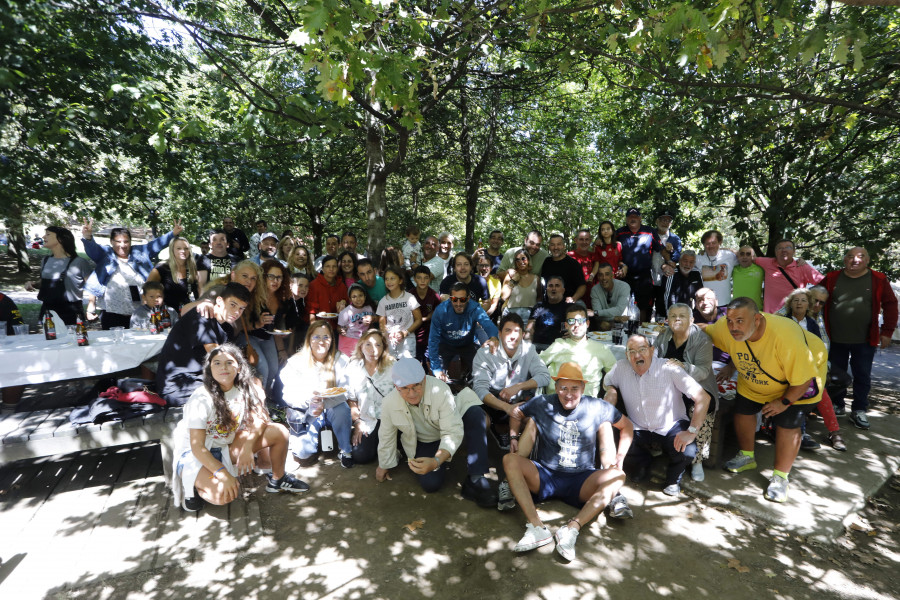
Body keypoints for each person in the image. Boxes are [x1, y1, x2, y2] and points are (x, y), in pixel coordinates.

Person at [504, 362, 633, 561]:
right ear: (556, 388)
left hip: (581, 479)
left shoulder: (597, 406)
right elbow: (517, 412)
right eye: (563, 388)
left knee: (618, 475)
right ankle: (537, 528)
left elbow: (627, 426)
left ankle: (572, 529)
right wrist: (513, 436)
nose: (569, 394)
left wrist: (621, 456)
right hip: (545, 475)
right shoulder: (543, 402)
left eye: (574, 388)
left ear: (583, 388)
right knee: (509, 460)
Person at [706, 297, 825, 503]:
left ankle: (780, 477)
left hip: (797, 380)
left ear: (758, 319)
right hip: (755, 378)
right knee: (743, 410)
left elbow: (803, 381)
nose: (733, 327)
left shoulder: (785, 336)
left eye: (740, 321)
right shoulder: (726, 328)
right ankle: (746, 456)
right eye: (730, 321)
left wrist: (783, 402)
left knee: (787, 423)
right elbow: (702, 329)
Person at [171, 344, 308, 511]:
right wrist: (222, 474)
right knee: (224, 495)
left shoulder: (245, 388)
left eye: (229, 362)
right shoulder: (201, 398)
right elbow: (197, 447)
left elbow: (261, 418)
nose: (224, 367)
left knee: (278, 432)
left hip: (225, 446)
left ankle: (278, 480)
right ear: (209, 368)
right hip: (195, 455)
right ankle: (193, 487)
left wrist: (248, 447)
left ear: (239, 366)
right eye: (217, 363)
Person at [375, 358, 497, 506]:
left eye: (416, 386)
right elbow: (386, 435)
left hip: (452, 420)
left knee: (476, 414)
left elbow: (452, 431)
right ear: (396, 386)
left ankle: (476, 478)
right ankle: (448, 454)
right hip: (427, 439)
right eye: (405, 388)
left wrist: (437, 461)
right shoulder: (389, 402)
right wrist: (384, 464)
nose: (412, 393)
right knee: (430, 484)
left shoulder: (440, 390)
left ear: (424, 380)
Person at [604, 334, 710, 495]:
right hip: (637, 425)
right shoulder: (620, 367)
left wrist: (691, 432)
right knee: (613, 436)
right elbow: (607, 382)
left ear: (652, 351)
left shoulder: (669, 368)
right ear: (626, 355)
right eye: (631, 351)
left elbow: (703, 397)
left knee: (687, 450)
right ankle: (643, 462)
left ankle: (673, 478)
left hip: (670, 424)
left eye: (642, 349)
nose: (637, 355)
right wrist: (611, 390)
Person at [822, 247, 898, 429]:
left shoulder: (878, 279)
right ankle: (837, 405)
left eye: (860, 256)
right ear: (844, 260)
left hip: (865, 339)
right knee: (834, 375)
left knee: (862, 375)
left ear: (867, 260)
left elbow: (890, 304)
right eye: (850, 256)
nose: (855, 260)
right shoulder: (832, 278)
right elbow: (816, 298)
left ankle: (859, 409)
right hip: (835, 338)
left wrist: (887, 332)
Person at [651, 304, 719, 482]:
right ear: (668, 320)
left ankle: (697, 461)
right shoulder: (663, 335)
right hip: (671, 386)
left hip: (698, 385)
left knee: (700, 406)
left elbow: (704, 371)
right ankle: (660, 443)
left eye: (682, 316)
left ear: (692, 320)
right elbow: (655, 359)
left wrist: (684, 366)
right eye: (673, 316)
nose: (677, 319)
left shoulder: (702, 339)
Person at [156, 282, 250, 406]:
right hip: (177, 386)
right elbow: (219, 357)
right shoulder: (202, 317)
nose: (237, 312)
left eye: (241, 308)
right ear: (220, 301)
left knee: (244, 387)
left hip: (199, 379)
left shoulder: (227, 328)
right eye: (233, 305)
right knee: (234, 390)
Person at [472, 313, 552, 454]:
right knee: (480, 420)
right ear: (499, 333)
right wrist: (506, 408)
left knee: (537, 419)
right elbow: (480, 389)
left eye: (517, 331)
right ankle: (498, 431)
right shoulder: (485, 353)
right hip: (492, 401)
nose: (512, 336)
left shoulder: (529, 350)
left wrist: (518, 386)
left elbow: (544, 376)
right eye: (508, 330)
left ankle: (526, 452)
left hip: (519, 400)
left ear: (522, 334)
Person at [81, 218, 181, 329]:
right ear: (111, 242)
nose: (122, 245)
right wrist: (88, 237)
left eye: (126, 241)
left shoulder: (140, 252)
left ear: (130, 241)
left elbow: (156, 244)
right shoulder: (105, 254)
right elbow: (93, 250)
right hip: (112, 311)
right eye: (118, 242)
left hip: (140, 312)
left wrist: (173, 233)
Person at [279, 320, 354, 467]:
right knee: (303, 453)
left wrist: (325, 403)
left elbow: (347, 390)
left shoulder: (341, 359)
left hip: (333, 408)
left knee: (343, 408)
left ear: (332, 340)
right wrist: (310, 402)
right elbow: (287, 394)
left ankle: (345, 449)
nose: (321, 341)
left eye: (326, 337)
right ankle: (310, 438)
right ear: (308, 339)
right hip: (309, 411)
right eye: (316, 337)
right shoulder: (295, 362)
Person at [428, 282, 500, 389]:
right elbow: (433, 340)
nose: (458, 303)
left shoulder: (474, 307)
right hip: (446, 345)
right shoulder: (441, 311)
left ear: (468, 298)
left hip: (468, 344)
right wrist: (437, 369)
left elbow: (487, 323)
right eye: (454, 299)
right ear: (450, 298)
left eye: (462, 299)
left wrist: (493, 337)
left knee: (482, 371)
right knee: (437, 380)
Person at [540, 303, 616, 398]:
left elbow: (616, 375)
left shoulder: (601, 349)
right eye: (571, 321)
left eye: (580, 321)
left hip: (587, 403)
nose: (576, 325)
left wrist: (611, 390)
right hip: (557, 401)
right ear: (566, 325)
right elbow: (536, 364)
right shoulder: (558, 345)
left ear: (587, 324)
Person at [24, 225, 91, 325]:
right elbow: (44, 282)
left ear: (60, 239)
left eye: (48, 234)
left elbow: (92, 287)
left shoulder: (79, 262)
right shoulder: (45, 260)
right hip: (47, 310)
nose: (43, 237)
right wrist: (33, 284)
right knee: (49, 339)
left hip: (71, 311)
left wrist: (91, 307)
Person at [347, 330, 396, 464]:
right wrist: (357, 422)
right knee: (361, 457)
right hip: (367, 420)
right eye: (368, 344)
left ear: (384, 348)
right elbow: (351, 400)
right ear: (361, 346)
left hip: (390, 420)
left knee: (388, 454)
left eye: (378, 345)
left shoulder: (393, 366)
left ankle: (390, 445)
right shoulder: (353, 368)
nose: (373, 350)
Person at [616, 208, 671, 322]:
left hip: (644, 275)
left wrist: (670, 262)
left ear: (640, 219)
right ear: (626, 219)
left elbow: (661, 249)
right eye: (630, 217)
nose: (633, 219)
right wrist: (598, 241)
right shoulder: (620, 232)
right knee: (621, 304)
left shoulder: (649, 231)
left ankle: (642, 331)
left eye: (635, 216)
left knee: (645, 305)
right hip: (624, 275)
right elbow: (608, 244)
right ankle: (622, 330)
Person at [755, 239, 824, 314]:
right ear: (775, 252)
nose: (784, 250)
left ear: (794, 252)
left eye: (788, 247)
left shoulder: (802, 266)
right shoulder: (767, 263)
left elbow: (824, 282)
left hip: (794, 316)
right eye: (780, 248)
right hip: (771, 317)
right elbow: (747, 258)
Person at [376, 265, 422, 359]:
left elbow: (418, 319)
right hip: (391, 343)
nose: (389, 282)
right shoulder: (383, 302)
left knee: (408, 370)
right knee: (393, 371)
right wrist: (388, 335)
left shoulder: (409, 298)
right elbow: (382, 325)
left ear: (400, 280)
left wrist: (405, 333)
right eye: (387, 279)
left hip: (407, 342)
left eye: (392, 278)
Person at [147, 237, 201, 313]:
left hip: (184, 313)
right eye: (179, 248)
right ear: (172, 250)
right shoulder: (161, 269)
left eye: (186, 248)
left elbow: (198, 294)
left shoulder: (192, 269)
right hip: (165, 314)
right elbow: (147, 293)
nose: (183, 251)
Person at [651, 210, 682, 319]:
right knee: (646, 307)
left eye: (668, 220)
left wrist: (672, 251)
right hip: (649, 277)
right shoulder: (651, 235)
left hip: (666, 278)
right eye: (663, 219)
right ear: (657, 221)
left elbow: (678, 257)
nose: (665, 222)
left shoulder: (675, 238)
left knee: (662, 308)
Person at [526, 275, 569, 352]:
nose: (553, 289)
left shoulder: (569, 308)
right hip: (537, 347)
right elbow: (530, 327)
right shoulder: (538, 306)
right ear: (546, 289)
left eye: (557, 286)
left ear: (563, 290)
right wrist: (528, 344)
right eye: (550, 286)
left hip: (558, 349)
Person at [540, 234, 586, 303]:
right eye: (552, 245)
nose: (555, 247)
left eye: (559, 244)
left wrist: (573, 299)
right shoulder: (547, 262)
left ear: (564, 246)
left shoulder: (573, 263)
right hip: (550, 302)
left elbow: (582, 286)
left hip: (568, 302)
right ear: (549, 247)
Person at [695, 230, 737, 306]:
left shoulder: (730, 256)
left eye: (714, 243)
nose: (711, 246)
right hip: (706, 305)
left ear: (720, 243)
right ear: (704, 245)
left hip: (725, 304)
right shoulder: (698, 259)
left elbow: (745, 259)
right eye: (707, 243)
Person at [409, 265, 441, 366]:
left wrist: (426, 318)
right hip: (413, 334)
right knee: (416, 364)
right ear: (414, 279)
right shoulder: (409, 295)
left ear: (429, 279)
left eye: (425, 278)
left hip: (429, 334)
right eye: (419, 278)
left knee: (428, 363)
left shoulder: (434, 296)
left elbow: (437, 312)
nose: (422, 281)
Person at [0, 292, 26, 412]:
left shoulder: (4, 302)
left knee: (17, 361)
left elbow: (18, 329)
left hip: (5, 350)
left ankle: (9, 408)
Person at [659, 250, 703, 317]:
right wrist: (672, 316)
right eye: (685, 261)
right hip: (671, 314)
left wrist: (696, 315)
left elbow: (700, 295)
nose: (688, 264)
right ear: (679, 261)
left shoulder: (696, 273)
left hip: (688, 314)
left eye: (691, 262)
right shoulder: (672, 273)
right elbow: (667, 298)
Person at [501, 249, 540, 322]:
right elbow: (503, 297)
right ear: (515, 263)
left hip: (530, 316)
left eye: (523, 258)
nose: (521, 262)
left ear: (528, 260)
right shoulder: (510, 276)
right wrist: (513, 281)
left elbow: (539, 298)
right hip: (511, 314)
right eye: (517, 260)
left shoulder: (536, 278)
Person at [337, 283, 377, 356]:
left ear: (365, 296)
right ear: (350, 299)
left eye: (360, 295)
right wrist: (341, 330)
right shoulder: (346, 312)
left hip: (363, 340)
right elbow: (339, 327)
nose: (358, 299)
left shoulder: (368, 308)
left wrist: (371, 319)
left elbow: (374, 321)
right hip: (349, 340)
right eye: (354, 296)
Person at [307, 255, 348, 324]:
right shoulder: (314, 285)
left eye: (334, 266)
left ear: (337, 269)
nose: (331, 269)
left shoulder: (342, 286)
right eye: (328, 266)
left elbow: (347, 305)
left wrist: (343, 304)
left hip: (338, 325)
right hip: (319, 325)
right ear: (322, 269)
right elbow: (311, 310)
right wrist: (313, 327)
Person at [693, 287, 730, 364]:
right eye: (700, 300)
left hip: (730, 364)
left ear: (716, 302)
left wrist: (731, 367)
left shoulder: (729, 315)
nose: (705, 302)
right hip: (702, 364)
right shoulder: (691, 319)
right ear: (696, 305)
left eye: (709, 299)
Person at [590, 263, 630, 330]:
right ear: (598, 277)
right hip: (603, 323)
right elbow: (597, 316)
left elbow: (619, 310)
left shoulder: (624, 287)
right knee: (604, 325)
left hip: (623, 323)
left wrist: (596, 313)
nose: (604, 278)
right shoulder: (595, 290)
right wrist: (615, 318)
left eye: (607, 274)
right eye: (601, 275)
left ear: (612, 275)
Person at [282, 272, 311, 355]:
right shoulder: (285, 300)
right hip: (279, 339)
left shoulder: (300, 302)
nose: (304, 289)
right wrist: (282, 350)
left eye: (306, 286)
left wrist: (291, 348)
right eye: (300, 285)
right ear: (290, 285)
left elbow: (293, 326)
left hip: (291, 337)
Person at [568, 228, 600, 300]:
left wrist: (591, 275)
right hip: (575, 296)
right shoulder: (569, 256)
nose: (584, 242)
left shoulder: (593, 255)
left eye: (587, 239)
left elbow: (597, 265)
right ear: (576, 240)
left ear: (590, 241)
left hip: (592, 296)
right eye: (581, 239)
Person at [732, 246, 764, 310]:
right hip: (737, 309)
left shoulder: (761, 269)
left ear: (753, 257)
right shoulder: (733, 270)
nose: (745, 257)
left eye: (748, 254)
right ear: (738, 256)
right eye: (742, 254)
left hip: (756, 309)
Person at [474, 251, 502, 320]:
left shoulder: (496, 282)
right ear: (477, 267)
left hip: (487, 316)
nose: (484, 268)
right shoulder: (471, 279)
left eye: (486, 265)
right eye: (481, 265)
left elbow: (494, 305)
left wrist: (482, 318)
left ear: (491, 268)